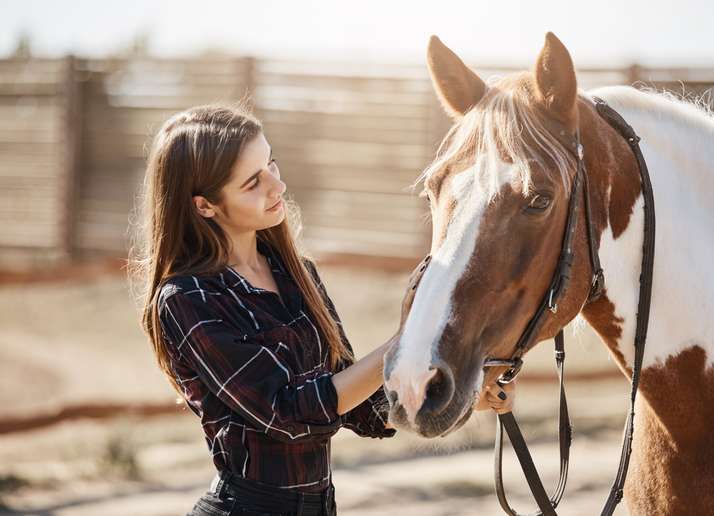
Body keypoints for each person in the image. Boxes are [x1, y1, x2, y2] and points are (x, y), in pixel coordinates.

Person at [128, 104, 514, 516]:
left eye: (271, 164)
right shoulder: (188, 299)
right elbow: (288, 414)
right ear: (205, 206)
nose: (278, 186)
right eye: (253, 183)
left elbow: (361, 407)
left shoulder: (296, 274)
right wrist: (406, 339)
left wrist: (457, 393)